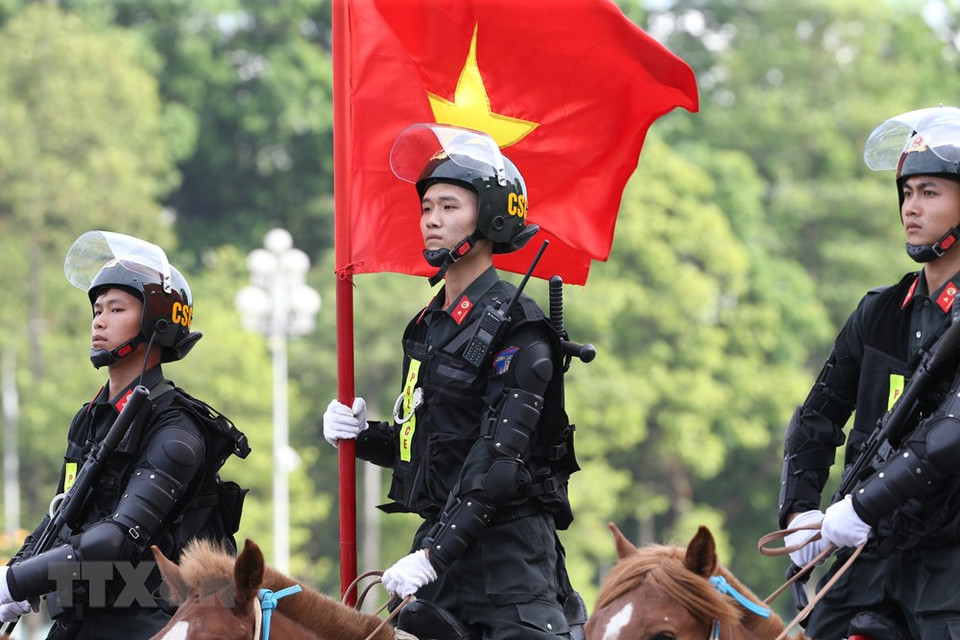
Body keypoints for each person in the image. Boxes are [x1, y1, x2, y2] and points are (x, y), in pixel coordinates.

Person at [323, 123, 584, 639]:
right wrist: (363, 435)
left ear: (488, 216)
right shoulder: (428, 325)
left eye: (449, 206)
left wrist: (431, 557)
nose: (431, 221)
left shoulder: (520, 327)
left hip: (509, 565)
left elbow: (498, 466)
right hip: (440, 551)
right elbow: (427, 445)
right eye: (426, 208)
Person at [0, 231, 249, 640]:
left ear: (157, 322)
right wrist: (14, 573)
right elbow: (60, 515)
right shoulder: (90, 417)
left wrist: (18, 581)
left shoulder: (177, 431)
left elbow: (117, 538)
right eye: (97, 309)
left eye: (116, 309)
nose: (99, 320)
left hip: (152, 623)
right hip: (80, 619)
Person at [779, 106, 960, 639]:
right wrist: (799, 514)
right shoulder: (879, 313)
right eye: (907, 192)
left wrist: (860, 505)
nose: (911, 207)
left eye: (930, 192)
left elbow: (948, 436)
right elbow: (816, 419)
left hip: (949, 570)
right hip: (867, 560)